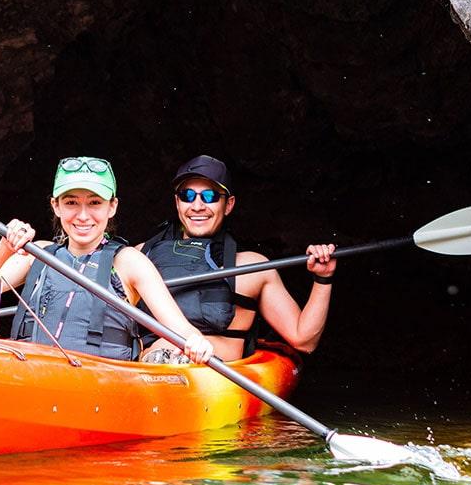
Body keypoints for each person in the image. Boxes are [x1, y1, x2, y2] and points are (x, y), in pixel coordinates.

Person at [0, 156, 216, 364]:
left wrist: (196, 341)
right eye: (71, 203)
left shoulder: (128, 262)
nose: (82, 215)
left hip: (102, 387)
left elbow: (184, 331)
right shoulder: (36, 254)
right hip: (32, 378)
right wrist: (6, 245)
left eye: (94, 203)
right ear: (55, 206)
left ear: (112, 207)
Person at [137, 154, 336, 363]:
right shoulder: (141, 257)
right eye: (187, 195)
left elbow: (303, 340)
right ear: (177, 202)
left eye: (209, 196)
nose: (197, 206)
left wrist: (323, 279)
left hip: (215, 380)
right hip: (150, 375)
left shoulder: (252, 267)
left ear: (228, 204)